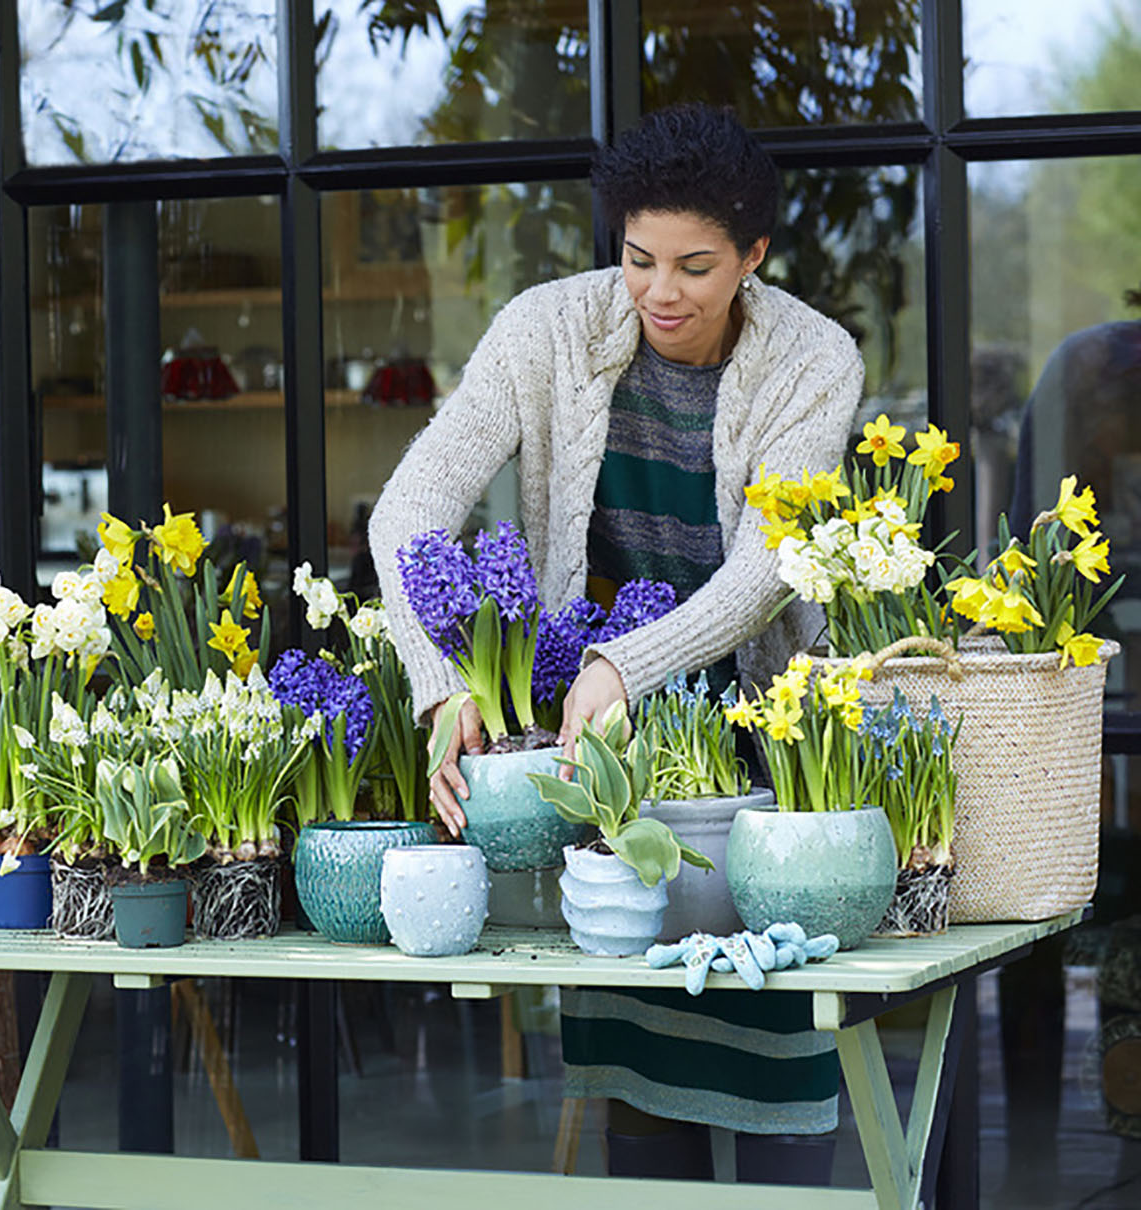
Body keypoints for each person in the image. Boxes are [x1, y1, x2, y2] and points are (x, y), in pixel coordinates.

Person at [368, 103, 865, 1183]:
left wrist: (621, 663)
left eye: (694, 266)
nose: (659, 292)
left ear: (753, 258)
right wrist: (439, 686)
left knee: (776, 1031)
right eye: (638, 258)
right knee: (636, 1058)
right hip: (604, 767)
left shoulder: (812, 360)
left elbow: (766, 569)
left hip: (756, 749)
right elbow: (405, 511)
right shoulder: (543, 330)